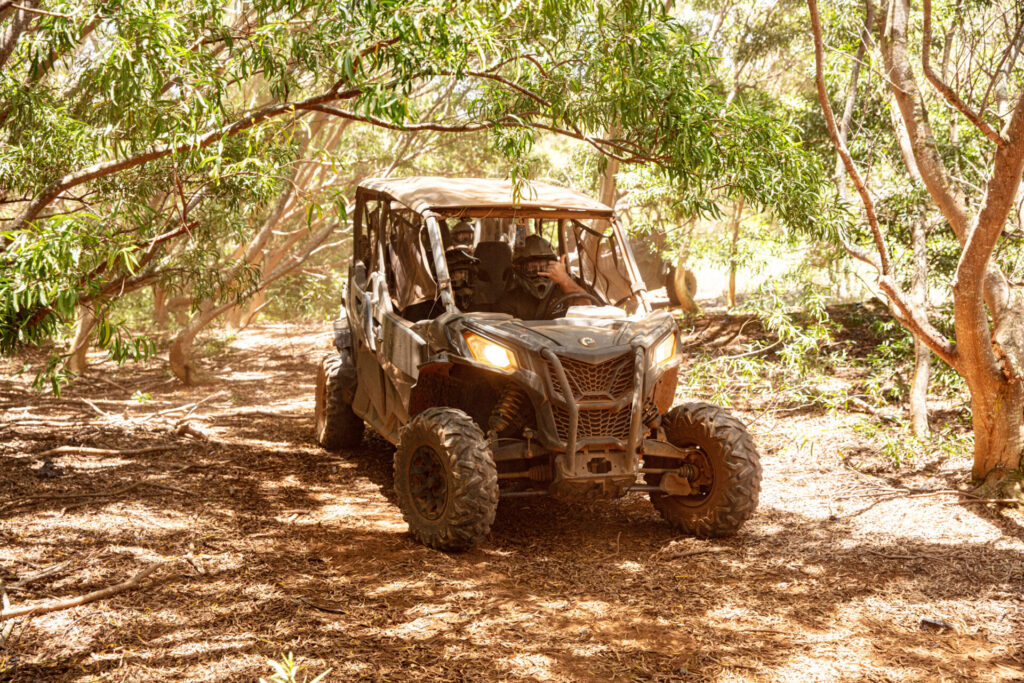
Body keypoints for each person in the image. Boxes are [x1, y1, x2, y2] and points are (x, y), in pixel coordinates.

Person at [498, 234, 596, 319]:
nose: (539, 274)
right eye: (532, 268)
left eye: (545, 267)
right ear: (519, 269)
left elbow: (588, 315)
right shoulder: (510, 300)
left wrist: (565, 280)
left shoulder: (566, 288)